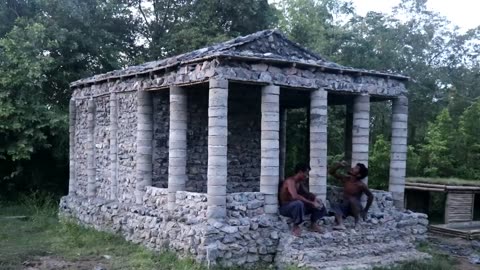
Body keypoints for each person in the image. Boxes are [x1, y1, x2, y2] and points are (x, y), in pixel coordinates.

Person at [279, 163, 327, 236]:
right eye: (306, 174)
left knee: (320, 205)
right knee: (299, 203)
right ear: (300, 172)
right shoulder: (290, 181)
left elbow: (308, 194)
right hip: (286, 208)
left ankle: (313, 224)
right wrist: (311, 203)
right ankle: (296, 225)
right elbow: (295, 196)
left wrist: (315, 199)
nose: (307, 176)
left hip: (297, 208)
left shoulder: (300, 183)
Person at [329, 160, 374, 230]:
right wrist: (339, 165)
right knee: (335, 203)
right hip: (345, 206)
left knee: (352, 199)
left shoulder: (361, 185)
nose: (353, 168)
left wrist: (365, 210)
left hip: (355, 208)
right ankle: (340, 224)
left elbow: (371, 196)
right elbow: (331, 172)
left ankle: (357, 222)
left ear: (359, 175)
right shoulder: (346, 179)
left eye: (356, 168)